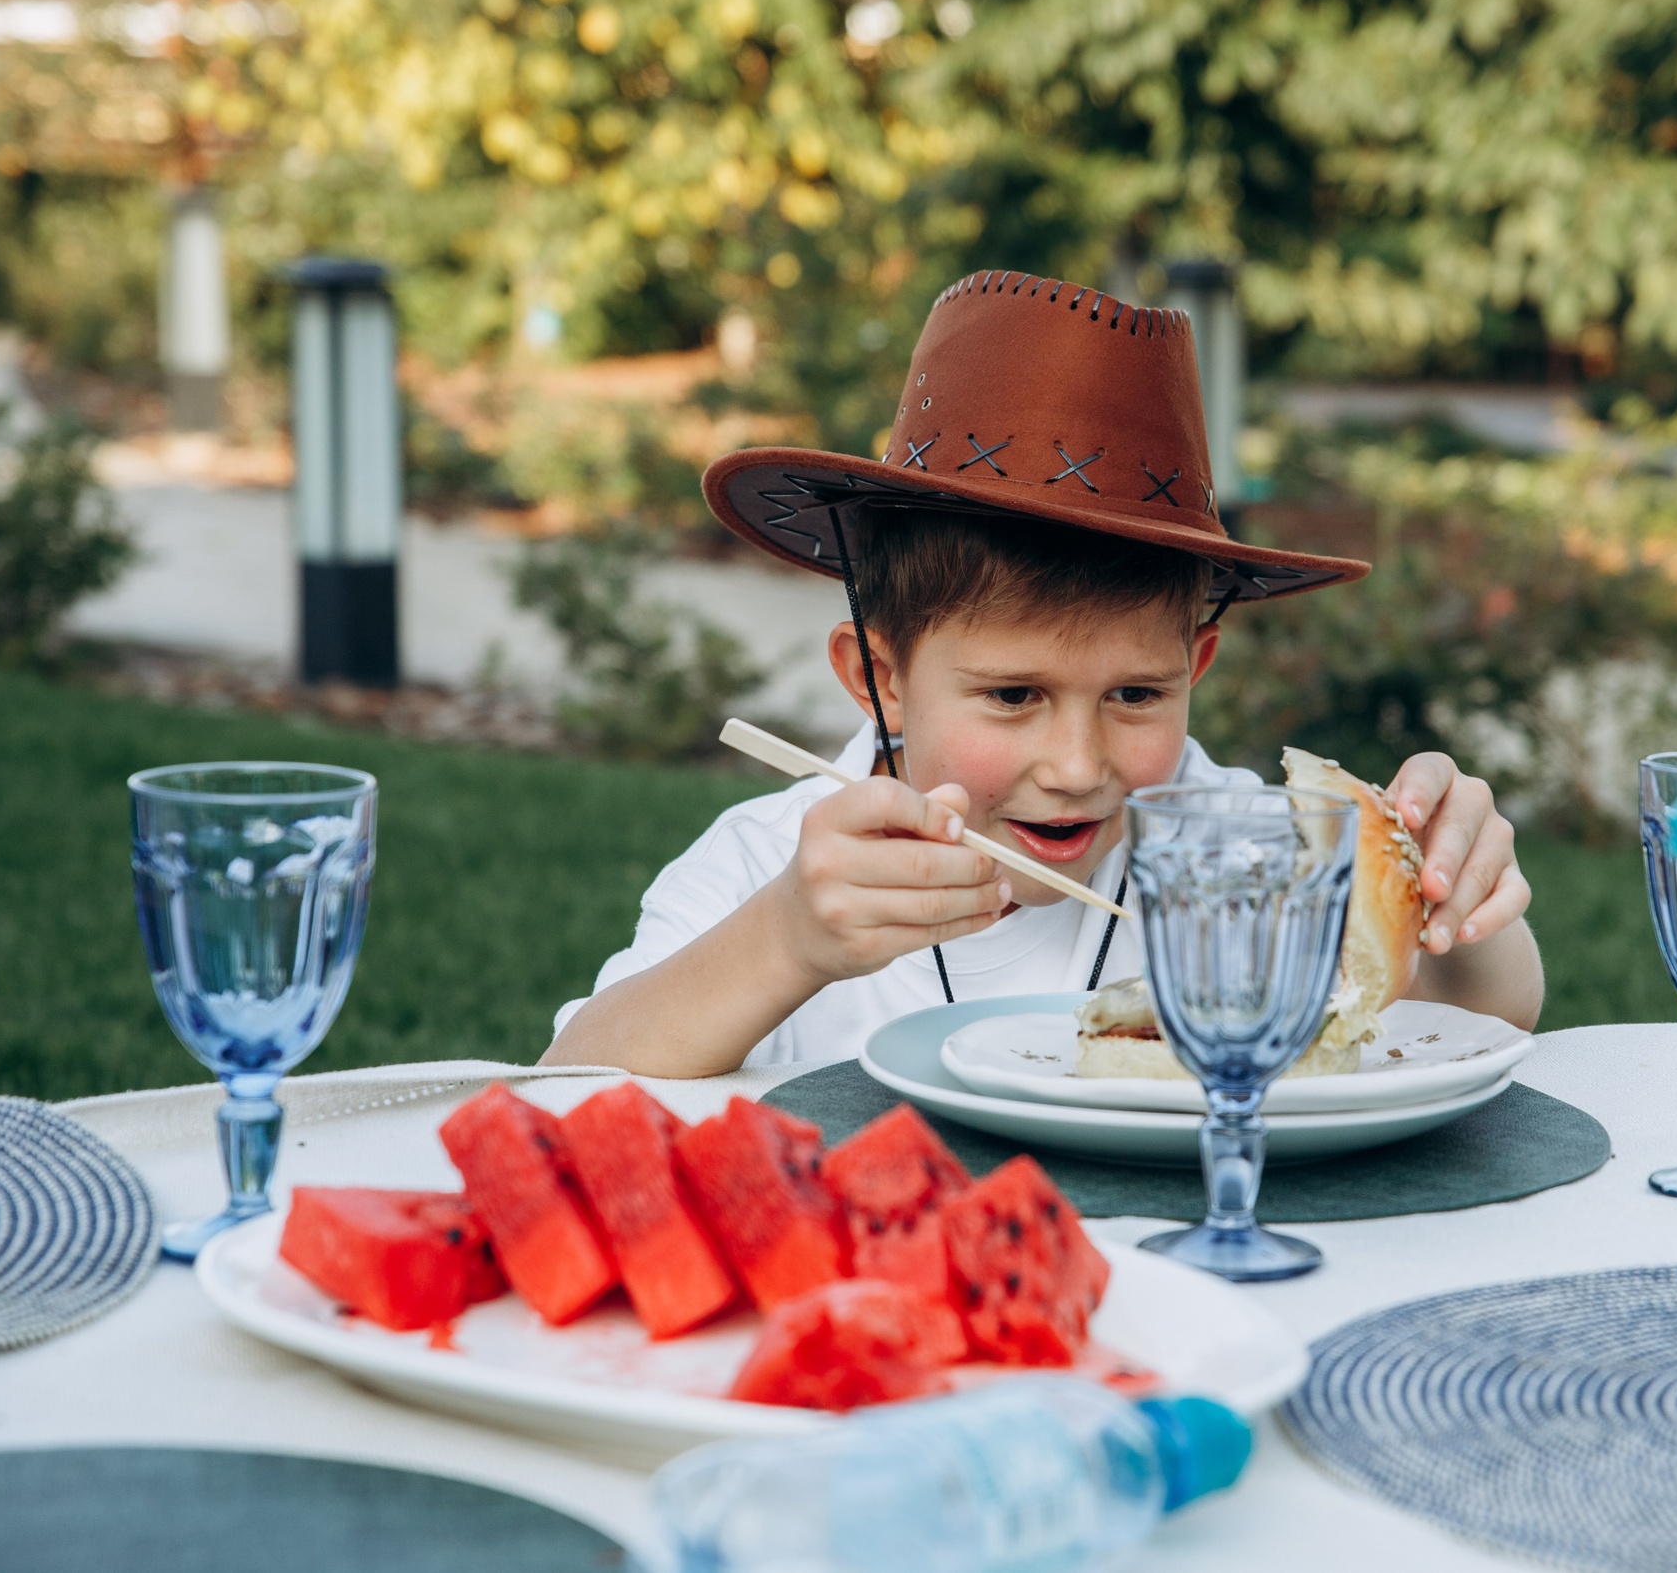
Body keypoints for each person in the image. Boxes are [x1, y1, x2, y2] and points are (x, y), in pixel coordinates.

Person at [545, 271, 1543, 1075]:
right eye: (1013, 696)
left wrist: (1448, 897)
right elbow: (568, 1085)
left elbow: (1491, 1012)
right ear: (879, 680)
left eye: (1136, 696)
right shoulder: (769, 865)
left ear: (1196, 663)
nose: (1074, 765)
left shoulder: (1253, 855)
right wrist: (785, 943)